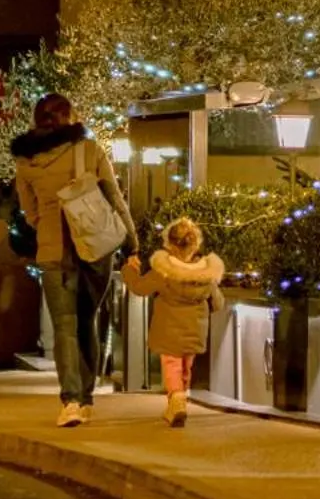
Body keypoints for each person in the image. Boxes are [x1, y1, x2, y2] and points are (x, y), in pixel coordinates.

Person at [12, 93, 137, 428]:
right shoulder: (90, 151)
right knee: (88, 321)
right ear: (69, 117)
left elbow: (30, 212)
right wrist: (132, 240)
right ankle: (87, 397)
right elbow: (114, 198)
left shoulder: (26, 162)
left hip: (54, 251)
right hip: (96, 248)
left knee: (64, 326)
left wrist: (50, 226)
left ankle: (70, 400)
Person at [122, 217, 225, 428]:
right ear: (196, 244)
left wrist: (129, 269)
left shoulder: (164, 270)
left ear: (169, 243)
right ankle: (179, 401)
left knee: (172, 365)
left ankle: (176, 399)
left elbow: (140, 287)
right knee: (186, 366)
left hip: (169, 328)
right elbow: (218, 303)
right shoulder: (206, 272)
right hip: (195, 328)